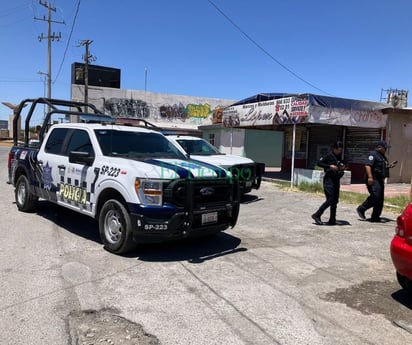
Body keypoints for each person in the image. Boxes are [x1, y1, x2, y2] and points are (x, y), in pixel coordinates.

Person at [356, 140, 397, 222]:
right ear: (380, 147)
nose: (386, 149)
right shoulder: (373, 154)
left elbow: (381, 167)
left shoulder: (382, 156)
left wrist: (389, 166)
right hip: (374, 179)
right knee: (376, 196)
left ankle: (375, 217)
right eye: (385, 147)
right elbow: (368, 166)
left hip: (380, 179)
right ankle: (361, 208)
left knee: (380, 199)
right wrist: (370, 177)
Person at [312, 141, 346, 225]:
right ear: (334, 149)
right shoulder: (328, 155)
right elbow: (319, 163)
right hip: (329, 180)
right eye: (338, 150)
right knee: (330, 199)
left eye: (341, 150)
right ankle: (317, 214)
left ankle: (332, 219)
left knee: (335, 201)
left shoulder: (339, 156)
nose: (339, 151)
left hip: (336, 180)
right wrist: (329, 166)